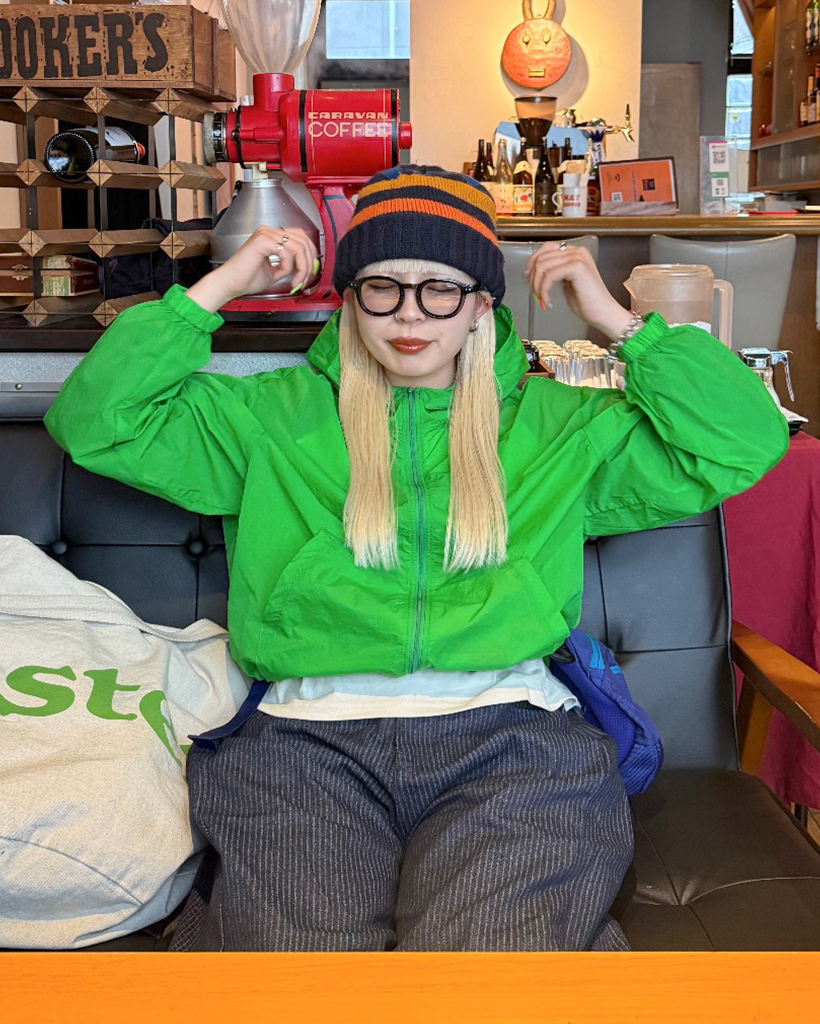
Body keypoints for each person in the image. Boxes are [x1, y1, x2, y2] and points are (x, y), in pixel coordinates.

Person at [44, 165, 789, 953]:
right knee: (299, 984)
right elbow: (95, 420)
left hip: (516, 742)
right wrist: (217, 287)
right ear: (349, 298)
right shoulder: (269, 416)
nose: (409, 314)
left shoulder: (559, 424)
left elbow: (746, 440)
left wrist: (621, 323)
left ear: (481, 304)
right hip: (305, 744)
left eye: (440, 289)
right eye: (382, 287)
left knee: (488, 976)